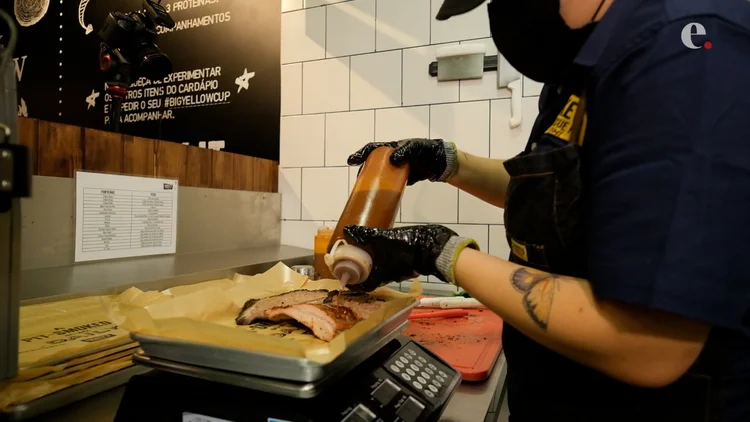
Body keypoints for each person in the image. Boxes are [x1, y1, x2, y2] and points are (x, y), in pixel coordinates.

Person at [342, 0, 750, 420]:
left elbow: (651, 343)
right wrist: (449, 163)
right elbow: (557, 190)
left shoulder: (681, 48)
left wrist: (439, 252)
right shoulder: (580, 68)